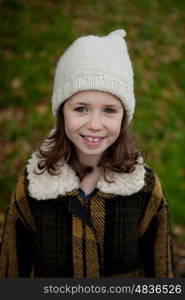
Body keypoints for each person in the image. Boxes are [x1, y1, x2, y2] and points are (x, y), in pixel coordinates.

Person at [0, 29, 174, 278]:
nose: (94, 124)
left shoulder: (145, 188)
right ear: (62, 112)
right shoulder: (32, 186)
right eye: (81, 108)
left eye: (109, 110)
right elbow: (11, 267)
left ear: (125, 117)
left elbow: (161, 270)